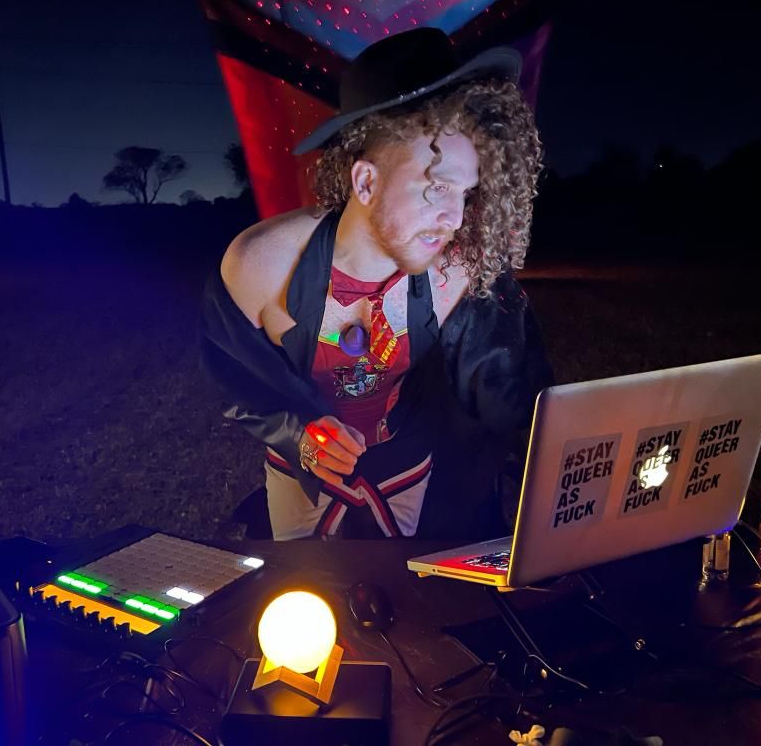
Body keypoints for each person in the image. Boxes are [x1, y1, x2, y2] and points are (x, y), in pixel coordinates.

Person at [199, 27, 552, 541]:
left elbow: (514, 398)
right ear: (366, 182)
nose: (455, 218)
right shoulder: (260, 265)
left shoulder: (458, 274)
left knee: (400, 585)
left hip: (409, 467)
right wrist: (299, 435)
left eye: (465, 193)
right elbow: (235, 377)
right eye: (437, 188)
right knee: (300, 585)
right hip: (303, 477)